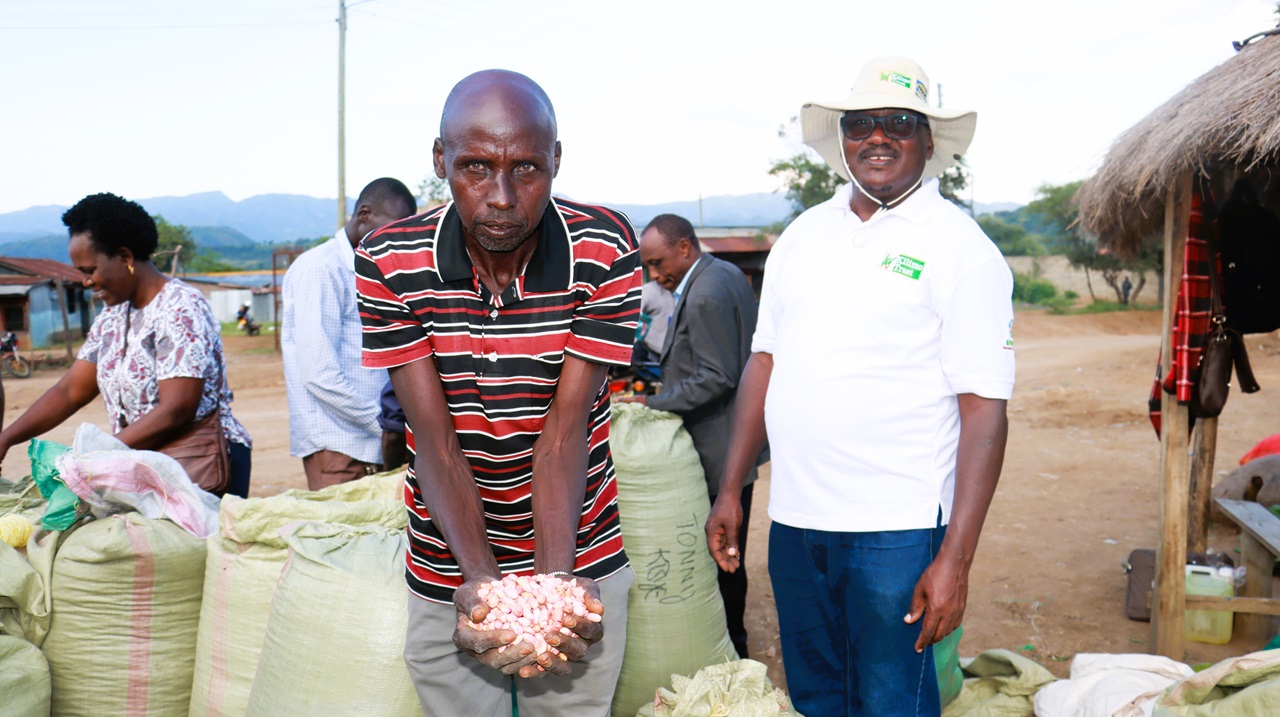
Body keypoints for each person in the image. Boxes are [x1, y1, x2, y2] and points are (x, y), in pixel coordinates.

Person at [705, 57, 1015, 717]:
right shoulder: (801, 237)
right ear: (842, 138)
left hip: (896, 529)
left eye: (899, 123)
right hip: (795, 521)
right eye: (860, 123)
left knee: (889, 703)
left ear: (929, 142)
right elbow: (764, 362)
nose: (877, 136)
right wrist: (731, 488)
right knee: (817, 696)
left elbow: (985, 412)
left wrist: (955, 560)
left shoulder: (963, 250)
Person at [355, 69, 640, 717]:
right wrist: (480, 580)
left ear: (558, 160)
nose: (503, 196)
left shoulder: (602, 249)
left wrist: (555, 589)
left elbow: (563, 436)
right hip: (445, 558)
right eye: (475, 168)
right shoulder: (390, 261)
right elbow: (435, 441)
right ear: (439, 161)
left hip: (580, 544)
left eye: (528, 169)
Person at [0, 193, 253, 497]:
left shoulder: (180, 307)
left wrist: (96, 458)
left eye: (89, 270)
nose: (86, 282)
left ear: (125, 257)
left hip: (201, 464)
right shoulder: (112, 316)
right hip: (147, 463)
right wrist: (8, 437)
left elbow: (177, 409)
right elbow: (69, 391)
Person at [620, 213, 759, 658]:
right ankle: (732, 642)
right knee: (729, 550)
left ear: (684, 247)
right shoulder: (725, 273)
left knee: (723, 554)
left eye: (658, 262)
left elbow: (716, 376)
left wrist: (651, 403)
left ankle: (733, 647)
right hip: (737, 438)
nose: (655, 274)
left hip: (719, 447)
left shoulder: (704, 295)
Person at [282, 177, 416, 490]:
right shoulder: (320, 269)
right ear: (364, 214)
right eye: (391, 227)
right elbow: (318, 374)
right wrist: (386, 427)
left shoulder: (374, 269)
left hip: (377, 444)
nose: (395, 239)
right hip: (341, 449)